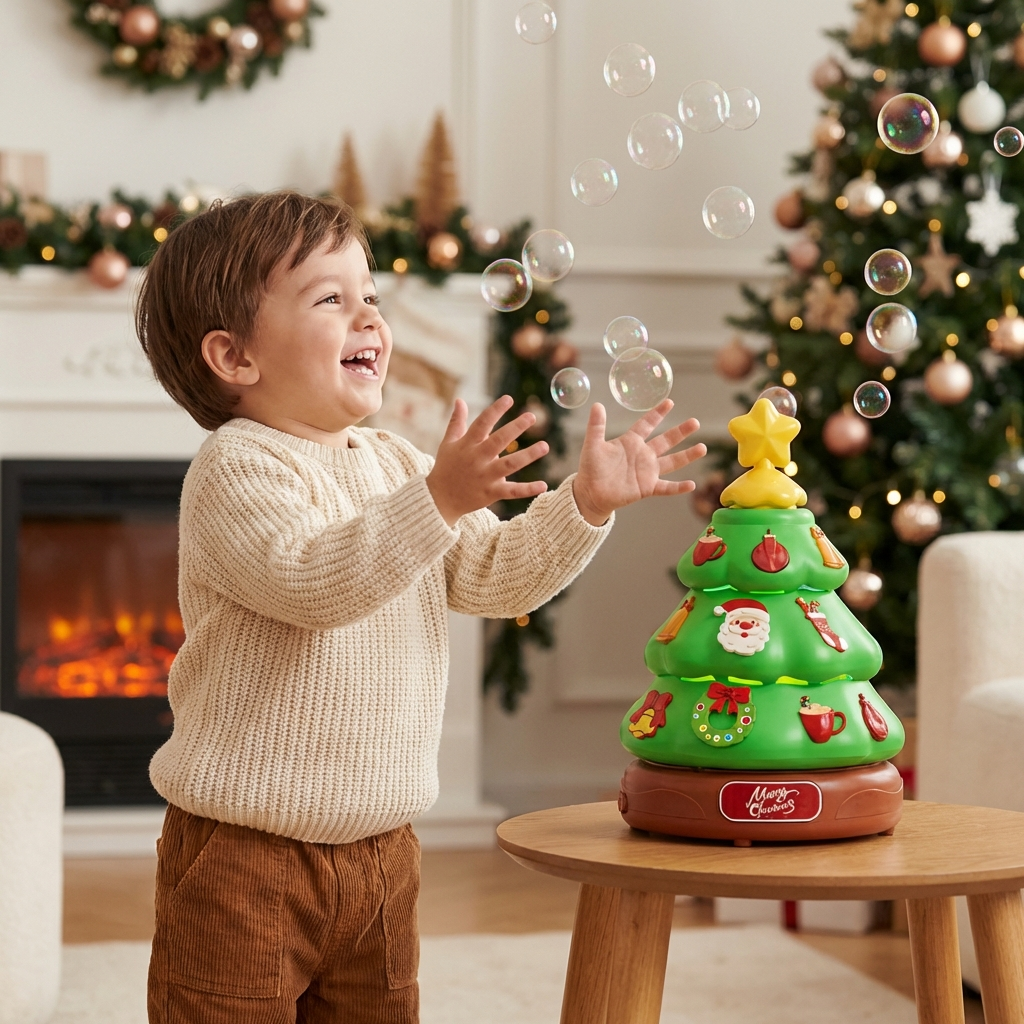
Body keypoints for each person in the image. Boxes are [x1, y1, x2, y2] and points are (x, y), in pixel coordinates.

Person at [136, 190, 705, 1024]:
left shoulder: (397, 462)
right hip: (243, 855)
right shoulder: (237, 468)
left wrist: (583, 504)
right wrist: (435, 500)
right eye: (331, 299)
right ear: (234, 356)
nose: (367, 317)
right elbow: (312, 582)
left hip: (382, 852)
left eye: (371, 295)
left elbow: (496, 576)